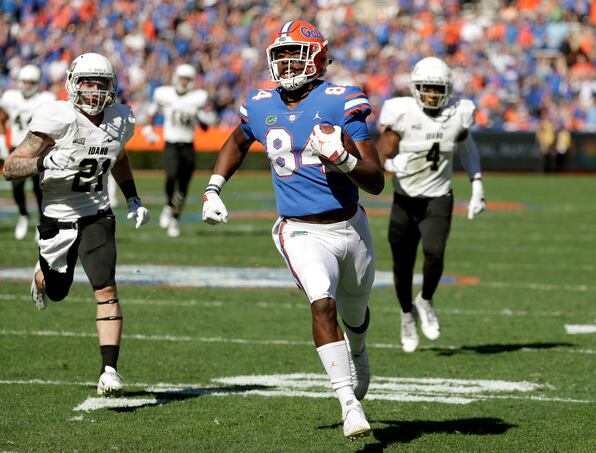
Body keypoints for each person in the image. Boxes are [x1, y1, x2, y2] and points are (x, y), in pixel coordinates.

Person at [202, 20, 384, 439]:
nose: (285, 63)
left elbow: (375, 181)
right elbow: (237, 140)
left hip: (350, 227)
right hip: (299, 230)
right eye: (280, 55)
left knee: (355, 314)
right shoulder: (261, 102)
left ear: (317, 57)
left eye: (294, 54)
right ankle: (348, 403)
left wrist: (345, 159)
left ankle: (359, 352)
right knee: (322, 303)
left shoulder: (343, 100)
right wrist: (213, 188)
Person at [2, 52, 150, 397]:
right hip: (58, 215)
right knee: (57, 289)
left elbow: (119, 155)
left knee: (106, 288)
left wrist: (132, 197)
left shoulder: (121, 119)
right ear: (73, 83)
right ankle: (40, 275)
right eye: (88, 81)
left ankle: (109, 370)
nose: (95, 90)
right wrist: (46, 159)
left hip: (97, 213)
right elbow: (10, 167)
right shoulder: (57, 117)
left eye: (101, 83)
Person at [376, 56, 486, 353]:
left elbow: (467, 145)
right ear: (415, 88)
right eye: (427, 88)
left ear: (447, 89)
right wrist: (388, 163)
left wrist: (476, 184)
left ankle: (425, 299)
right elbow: (382, 149)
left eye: (438, 89)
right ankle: (405, 314)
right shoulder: (401, 112)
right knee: (402, 264)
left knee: (434, 252)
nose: (432, 95)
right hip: (404, 199)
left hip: (439, 196)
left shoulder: (458, 114)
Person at [142, 63, 216, 237]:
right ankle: (169, 205)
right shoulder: (164, 94)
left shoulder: (198, 98)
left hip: (188, 145)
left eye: (187, 79)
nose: (184, 82)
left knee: (183, 186)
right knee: (171, 176)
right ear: (176, 78)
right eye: (182, 78)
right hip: (171, 143)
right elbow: (151, 113)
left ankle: (175, 218)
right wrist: (148, 130)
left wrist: (201, 116)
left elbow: (206, 126)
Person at [0, 64, 56, 240]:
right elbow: (1, 118)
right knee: (16, 187)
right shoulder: (11, 98)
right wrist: (2, 140)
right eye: (23, 81)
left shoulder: (45, 99)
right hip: (17, 149)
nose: (26, 85)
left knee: (39, 188)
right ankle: (24, 215)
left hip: (38, 151)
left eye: (30, 82)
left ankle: (41, 221)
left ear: (37, 83)